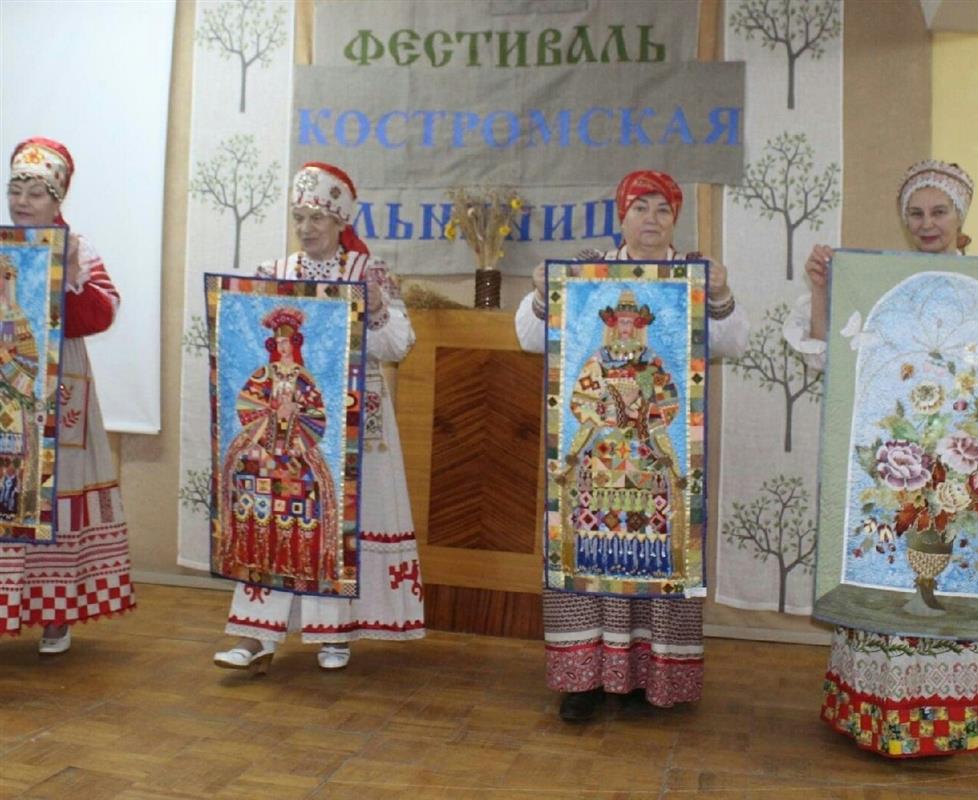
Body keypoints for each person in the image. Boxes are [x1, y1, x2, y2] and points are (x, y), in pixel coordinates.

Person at [514, 169, 749, 721]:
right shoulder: (586, 275)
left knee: (657, 557)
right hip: (595, 463)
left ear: (675, 220)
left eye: (662, 210)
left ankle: (653, 678)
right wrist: (541, 291)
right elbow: (528, 337)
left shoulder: (691, 276)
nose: (651, 219)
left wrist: (720, 294)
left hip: (654, 461)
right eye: (640, 208)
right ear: (622, 216)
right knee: (588, 557)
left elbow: (733, 343)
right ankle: (584, 680)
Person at [784, 159, 978, 758]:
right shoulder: (880, 287)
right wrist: (824, 287)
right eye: (915, 214)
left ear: (960, 216)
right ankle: (876, 717)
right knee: (888, 571)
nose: (927, 224)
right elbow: (826, 355)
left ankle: (946, 724)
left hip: (963, 462)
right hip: (899, 466)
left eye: (939, 212)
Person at [213, 162, 424, 673]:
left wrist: (376, 307)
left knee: (340, 518)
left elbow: (399, 345)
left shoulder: (368, 272)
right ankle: (256, 634)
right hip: (282, 429)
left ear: (340, 220)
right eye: (299, 217)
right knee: (271, 514)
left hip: (351, 423)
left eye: (317, 218)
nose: (306, 228)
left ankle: (336, 634)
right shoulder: (273, 273)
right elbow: (246, 341)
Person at [1, 137, 132, 652]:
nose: (22, 201)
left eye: (35, 192)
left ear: (57, 199)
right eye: (15, 190)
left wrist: (69, 276)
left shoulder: (77, 247)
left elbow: (101, 313)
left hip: (55, 383)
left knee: (54, 491)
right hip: (4, 387)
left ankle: (54, 612)